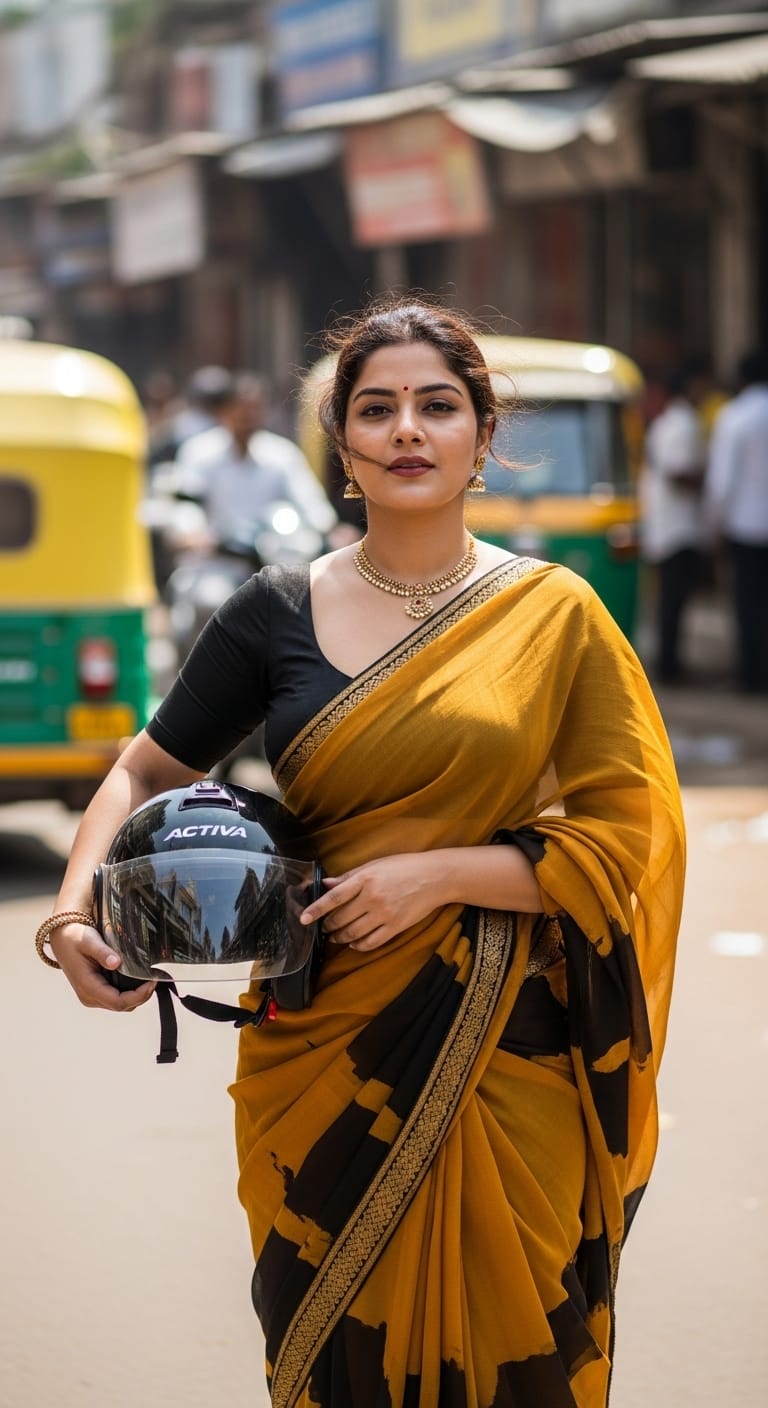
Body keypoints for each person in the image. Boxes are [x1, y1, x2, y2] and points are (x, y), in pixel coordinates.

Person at [38, 296, 685, 1407]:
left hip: (505, 1045)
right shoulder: (273, 611)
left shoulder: (556, 615)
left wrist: (444, 873)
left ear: (484, 436)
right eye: (376, 409)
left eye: (438, 406)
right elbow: (143, 770)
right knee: (330, 1346)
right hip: (318, 1038)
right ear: (341, 448)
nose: (407, 431)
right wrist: (71, 913)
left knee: (517, 1343)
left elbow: (630, 832)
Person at [176, 370, 338, 542]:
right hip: (214, 562)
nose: (249, 417)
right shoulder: (199, 452)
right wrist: (192, 533)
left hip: (270, 556)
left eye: (255, 409)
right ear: (225, 411)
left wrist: (330, 529)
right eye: (242, 409)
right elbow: (186, 505)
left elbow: (310, 502)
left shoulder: (282, 454)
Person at [639, 363, 710, 684]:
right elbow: (676, 470)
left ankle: (670, 663)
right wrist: (706, 480)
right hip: (677, 527)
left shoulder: (667, 422)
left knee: (671, 599)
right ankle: (670, 666)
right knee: (673, 600)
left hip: (666, 524)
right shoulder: (684, 424)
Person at [705, 347, 768, 695]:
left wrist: (713, 526)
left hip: (745, 525)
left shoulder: (735, 416)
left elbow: (722, 481)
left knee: (747, 604)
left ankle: (751, 676)